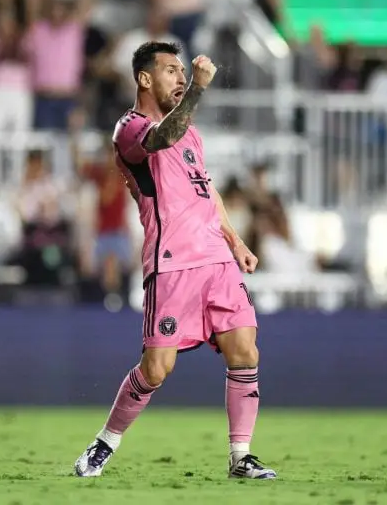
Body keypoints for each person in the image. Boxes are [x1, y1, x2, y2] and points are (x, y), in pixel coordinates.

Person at [74, 42, 276, 480]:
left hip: (216, 261)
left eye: (184, 72)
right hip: (172, 263)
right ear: (144, 79)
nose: (181, 78)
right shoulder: (129, 128)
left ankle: (240, 456)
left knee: (245, 350)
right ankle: (105, 442)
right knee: (156, 368)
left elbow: (207, 190)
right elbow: (162, 137)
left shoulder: (193, 135)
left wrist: (234, 240)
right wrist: (200, 92)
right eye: (170, 71)